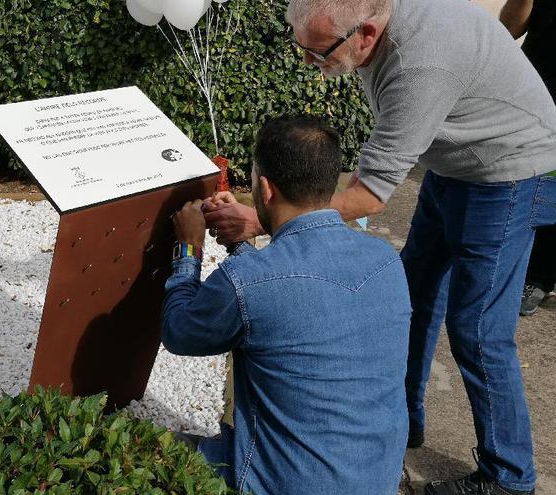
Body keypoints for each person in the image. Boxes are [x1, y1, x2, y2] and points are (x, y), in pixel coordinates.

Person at [203, 0, 556, 493]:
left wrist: (258, 221)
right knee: (414, 294)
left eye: (317, 51)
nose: (307, 62)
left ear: (365, 33)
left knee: (477, 330)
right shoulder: (382, 21)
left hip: (509, 171)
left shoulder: (420, 64)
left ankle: (509, 477)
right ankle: (405, 421)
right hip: (455, 161)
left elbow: (370, 192)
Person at [162, 115, 410, 494]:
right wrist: (238, 244)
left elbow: (180, 333)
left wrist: (189, 246)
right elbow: (285, 289)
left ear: (264, 188)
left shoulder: (248, 282)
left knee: (150, 449)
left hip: (283, 484)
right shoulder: (386, 261)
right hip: (375, 480)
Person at [500, 0, 556, 317]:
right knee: (528, 185)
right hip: (535, 94)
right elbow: (510, 27)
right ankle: (528, 270)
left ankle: (539, 276)